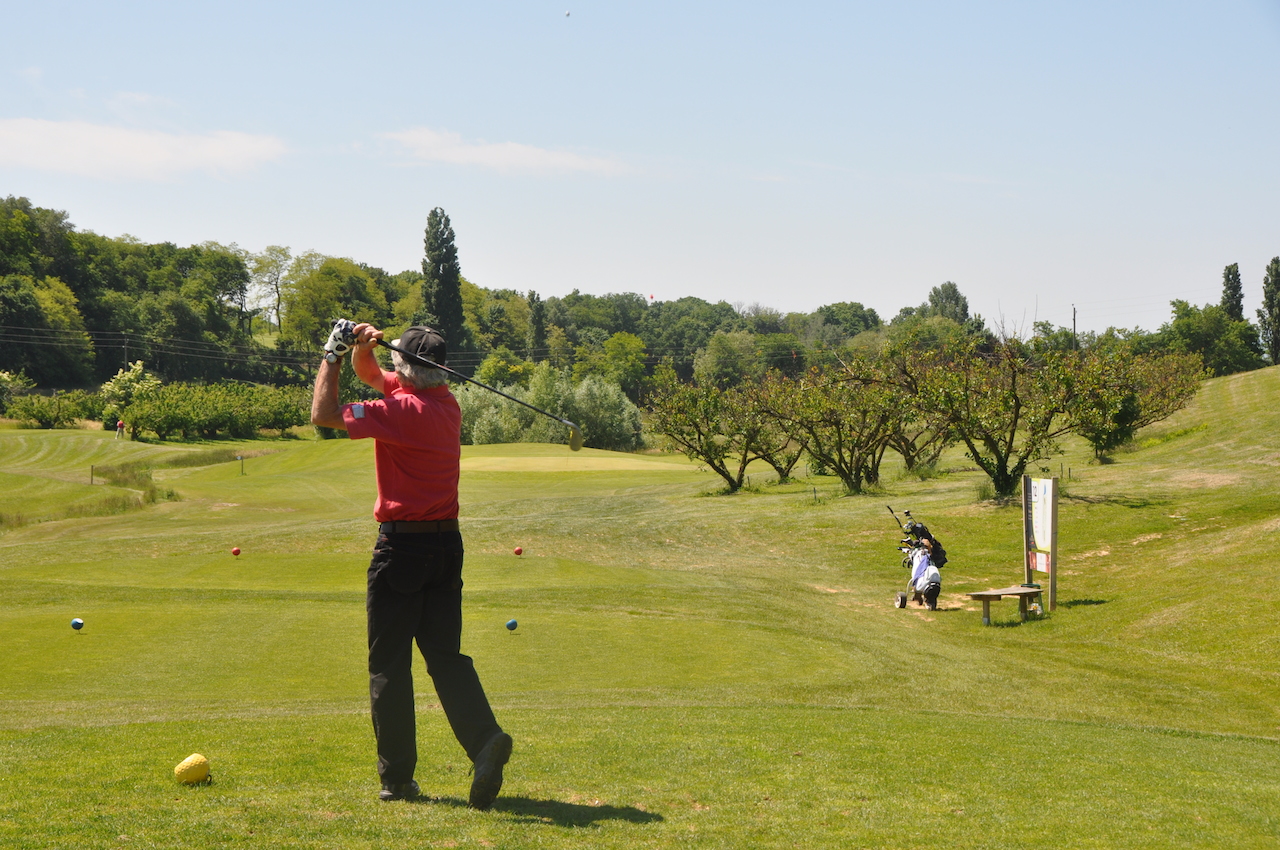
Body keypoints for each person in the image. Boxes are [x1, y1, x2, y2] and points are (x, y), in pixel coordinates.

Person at [310, 320, 512, 808]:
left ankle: (398, 779)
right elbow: (375, 373)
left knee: (389, 666)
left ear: (405, 365)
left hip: (401, 552)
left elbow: (323, 414)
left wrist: (331, 355)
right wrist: (364, 345)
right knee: (445, 656)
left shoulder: (398, 411)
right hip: (446, 547)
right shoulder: (445, 401)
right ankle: (485, 740)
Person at [909, 538, 942, 611]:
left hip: (926, 578)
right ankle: (924, 599)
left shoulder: (927, 553)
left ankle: (919, 597)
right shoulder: (930, 553)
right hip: (932, 579)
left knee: (919, 580)